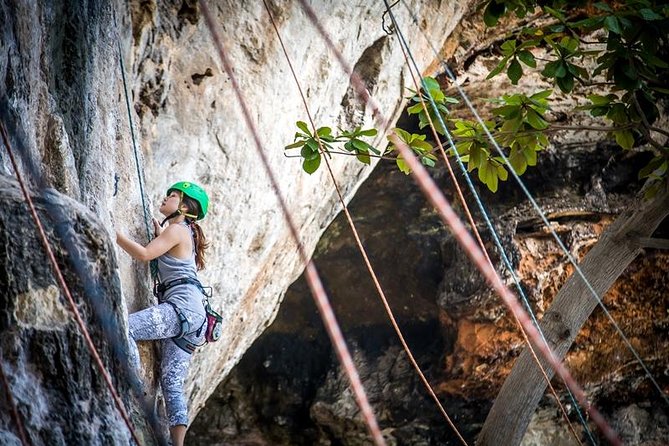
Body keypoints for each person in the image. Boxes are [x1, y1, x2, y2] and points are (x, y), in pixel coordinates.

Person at [116, 181, 210, 446]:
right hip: (196, 318)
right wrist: (161, 234)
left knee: (125, 328)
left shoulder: (177, 229)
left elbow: (145, 254)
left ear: (183, 206)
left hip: (180, 309)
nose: (165, 198)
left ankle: (129, 385)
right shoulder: (182, 232)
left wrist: (115, 235)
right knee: (171, 381)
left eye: (172, 196)